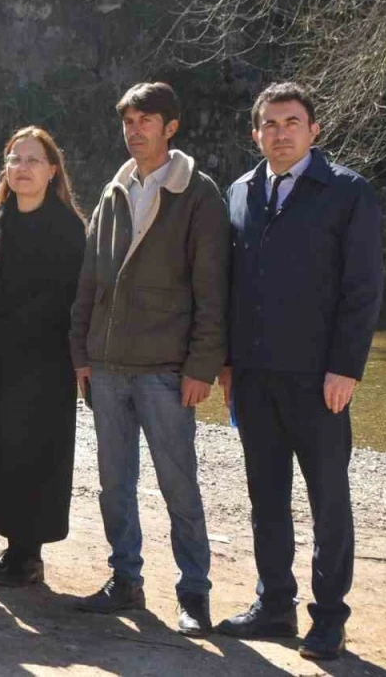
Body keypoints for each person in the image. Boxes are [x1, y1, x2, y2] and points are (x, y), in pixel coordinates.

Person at [215, 82, 383, 661]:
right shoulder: (240, 193)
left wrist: (346, 368)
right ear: (255, 133)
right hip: (254, 377)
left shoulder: (347, 192)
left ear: (314, 130)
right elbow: (231, 287)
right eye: (270, 124)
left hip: (319, 380)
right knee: (266, 496)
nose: (280, 133)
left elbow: (363, 289)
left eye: (291, 122)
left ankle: (329, 618)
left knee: (328, 500)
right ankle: (274, 605)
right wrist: (228, 363)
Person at [68, 82, 230, 636]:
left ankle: (195, 594)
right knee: (114, 485)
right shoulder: (114, 191)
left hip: (166, 371)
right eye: (128, 122)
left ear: (171, 126)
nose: (135, 131)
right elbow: (89, 281)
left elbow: (212, 291)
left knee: (179, 486)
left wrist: (201, 367)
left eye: (146, 121)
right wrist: (81, 354)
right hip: (107, 367)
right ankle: (126, 581)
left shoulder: (198, 194)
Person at [0, 126, 86, 587]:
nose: (22, 167)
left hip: (40, 365)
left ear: (52, 171)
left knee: (31, 453)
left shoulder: (68, 229)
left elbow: (57, 300)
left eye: (33, 160)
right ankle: (12, 548)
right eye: (15, 159)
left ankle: (29, 557)